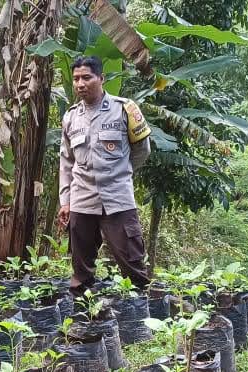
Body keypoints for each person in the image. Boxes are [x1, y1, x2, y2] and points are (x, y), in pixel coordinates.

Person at [58, 56, 152, 296]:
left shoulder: (124, 109)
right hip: (82, 199)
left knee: (132, 262)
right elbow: (67, 162)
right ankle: (84, 318)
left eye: (87, 77)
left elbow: (142, 150)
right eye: (76, 78)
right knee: (81, 268)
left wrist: (120, 173)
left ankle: (140, 319)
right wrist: (65, 201)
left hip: (118, 198)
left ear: (101, 78)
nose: (80, 83)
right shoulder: (70, 117)